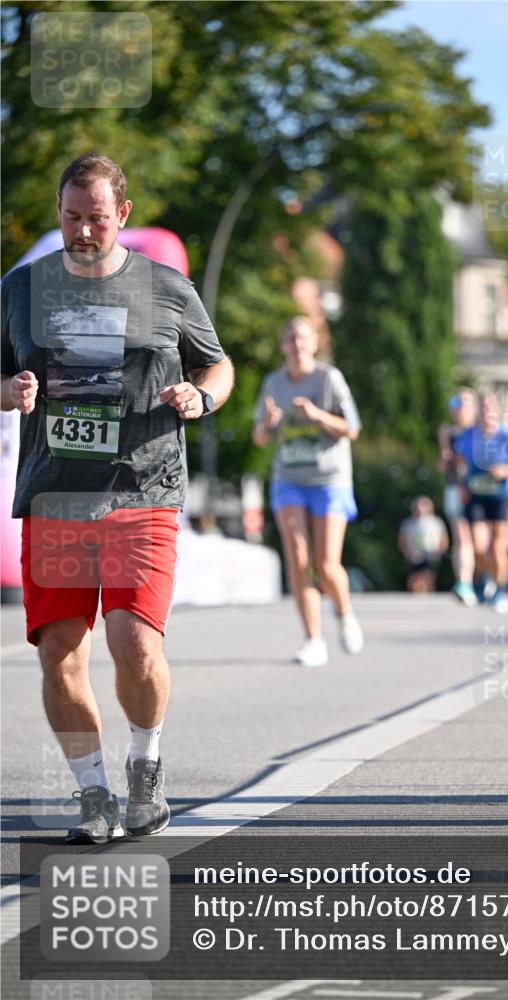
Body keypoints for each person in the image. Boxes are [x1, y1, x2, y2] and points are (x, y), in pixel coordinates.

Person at [0, 153, 234, 844]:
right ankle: (94, 793)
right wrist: (9, 391)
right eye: (71, 217)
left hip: (143, 487)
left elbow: (216, 364)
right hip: (55, 496)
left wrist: (201, 397)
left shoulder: (165, 288)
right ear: (58, 211)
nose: (82, 231)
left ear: (122, 215)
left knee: (133, 642)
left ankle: (145, 762)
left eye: (96, 218)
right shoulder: (21, 290)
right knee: (60, 654)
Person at [252, 316, 363, 667]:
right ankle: (314, 639)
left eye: (302, 338)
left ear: (314, 343)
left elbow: (352, 428)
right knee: (299, 560)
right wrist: (267, 425)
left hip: (330, 479)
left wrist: (317, 415)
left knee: (327, 565)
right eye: (290, 338)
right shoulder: (273, 383)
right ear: (283, 345)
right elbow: (259, 437)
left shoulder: (329, 379)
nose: (297, 344)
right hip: (289, 480)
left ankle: (344, 613)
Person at [452, 392, 508, 614]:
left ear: (497, 412)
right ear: (479, 411)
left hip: (499, 496)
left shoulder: (506, 437)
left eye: (491, 408)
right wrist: (462, 486)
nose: (487, 413)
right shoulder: (467, 436)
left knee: (498, 547)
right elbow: (458, 463)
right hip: (476, 496)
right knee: (479, 545)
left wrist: (507, 470)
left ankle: (499, 591)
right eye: (484, 408)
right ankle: (484, 579)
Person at [437, 388, 477, 606]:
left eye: (464, 403)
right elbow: (444, 464)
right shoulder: (448, 431)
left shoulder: (480, 431)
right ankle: (463, 582)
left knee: (479, 539)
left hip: (479, 491)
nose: (459, 408)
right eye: (457, 403)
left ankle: (484, 580)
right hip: (455, 487)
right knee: (461, 536)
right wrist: (446, 458)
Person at [398, 496, 449, 593]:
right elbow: (402, 541)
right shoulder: (408, 523)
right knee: (414, 578)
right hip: (414, 555)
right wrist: (407, 553)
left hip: (431, 554)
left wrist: (439, 552)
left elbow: (444, 540)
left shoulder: (436, 522)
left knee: (428, 577)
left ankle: (428, 597)